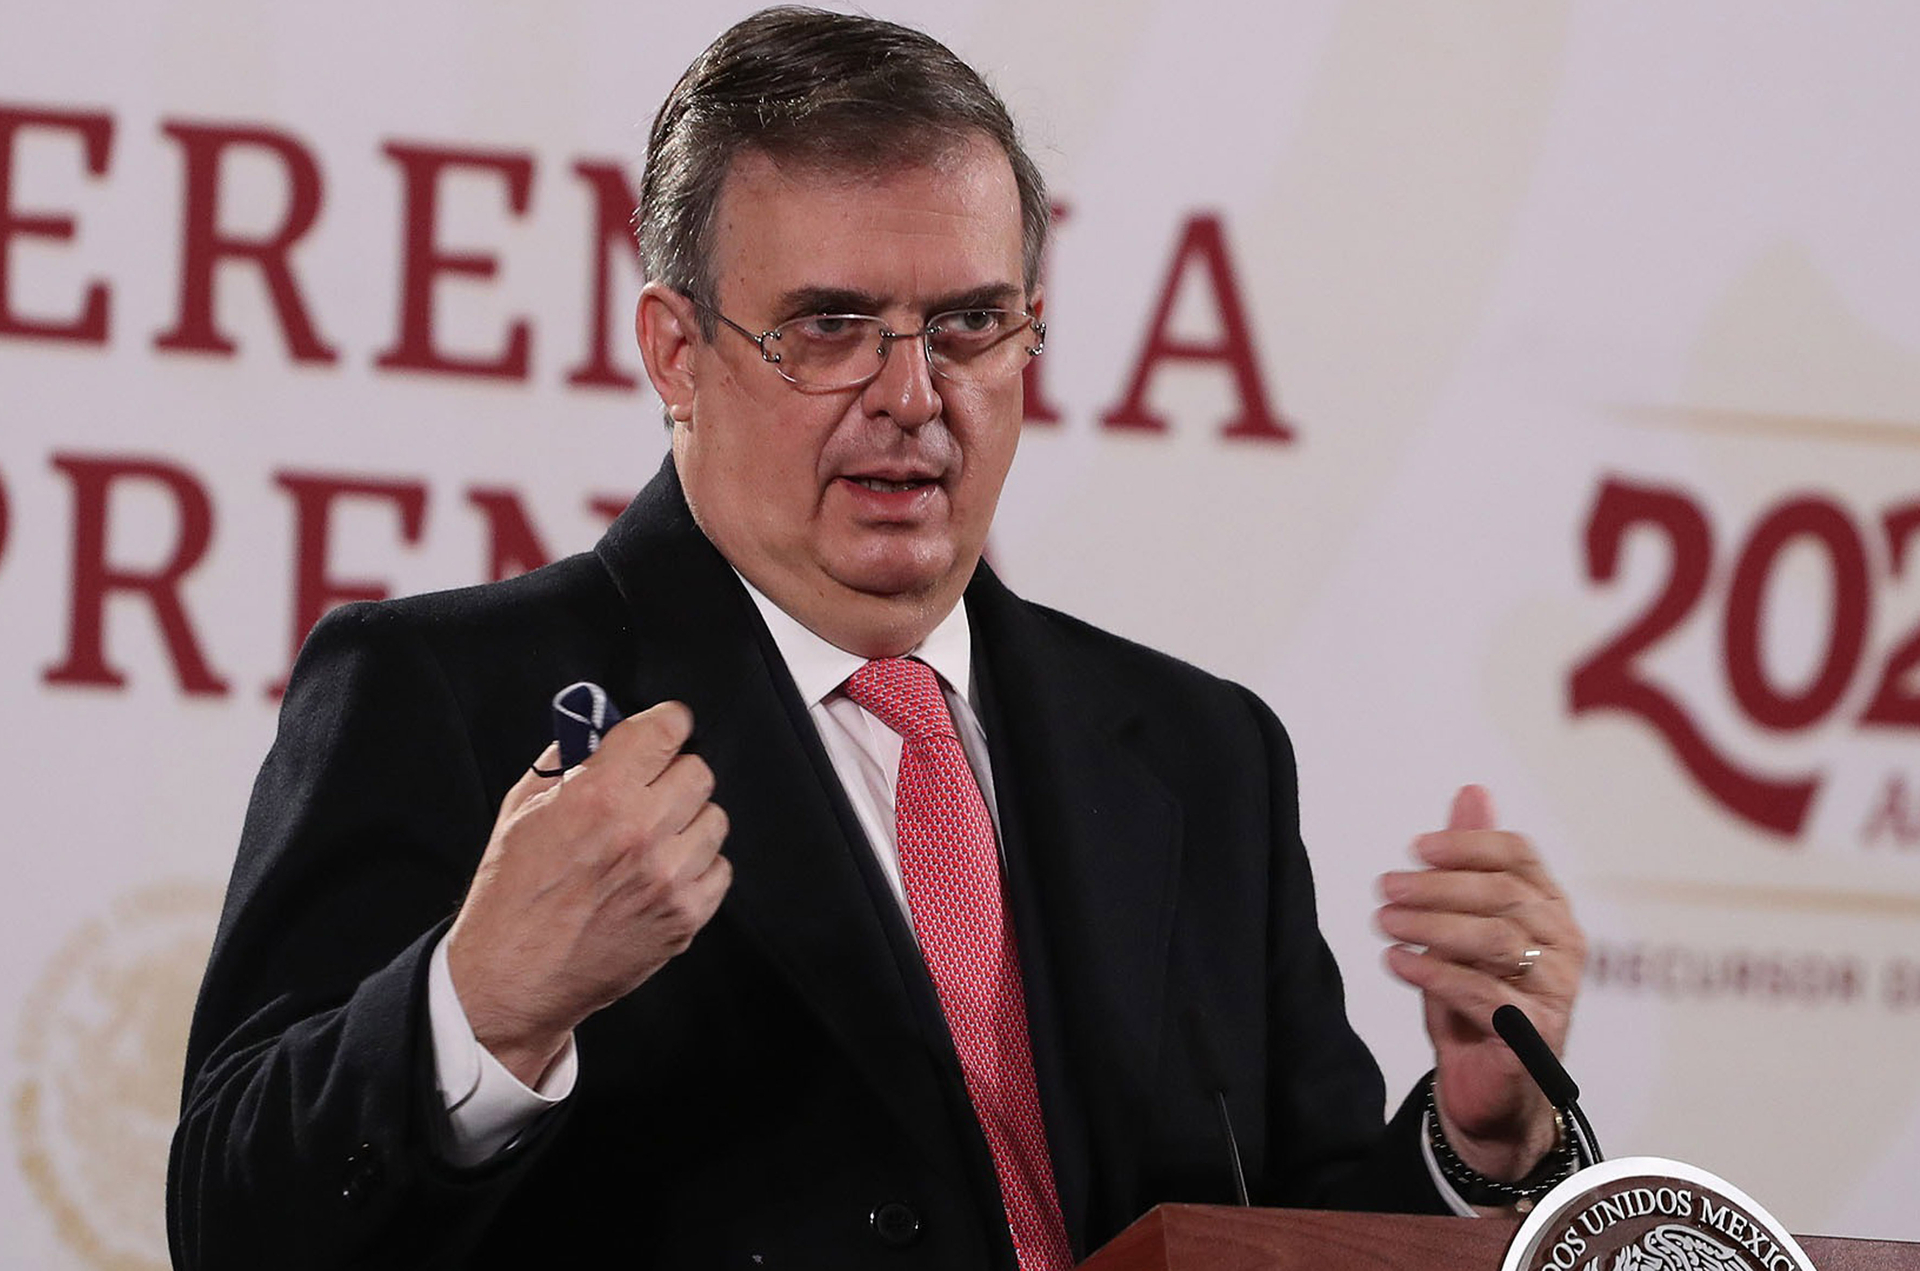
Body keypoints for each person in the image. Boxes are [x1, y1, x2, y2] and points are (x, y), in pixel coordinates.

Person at [168, 8, 1586, 1269]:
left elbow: (1298, 1231)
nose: (913, 396)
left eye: (969, 325)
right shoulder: (448, 695)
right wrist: (478, 1009)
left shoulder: (1202, 752)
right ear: (675, 352)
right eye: (831, 327)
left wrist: (1475, 1142)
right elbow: (233, 1227)